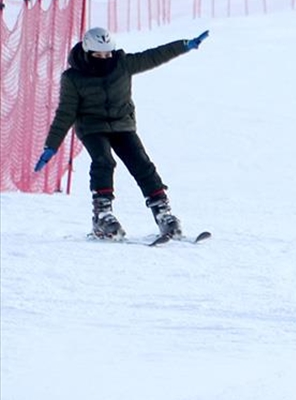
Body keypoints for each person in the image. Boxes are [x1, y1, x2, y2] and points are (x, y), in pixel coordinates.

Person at [34, 26, 210, 240]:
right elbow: (65, 113)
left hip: (122, 124)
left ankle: (163, 213)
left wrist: (184, 45)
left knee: (141, 163)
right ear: (88, 52)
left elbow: (153, 55)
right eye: (99, 55)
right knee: (103, 161)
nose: (105, 57)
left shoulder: (122, 64)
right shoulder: (73, 77)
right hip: (91, 127)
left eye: (108, 53)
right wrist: (51, 145)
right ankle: (102, 216)